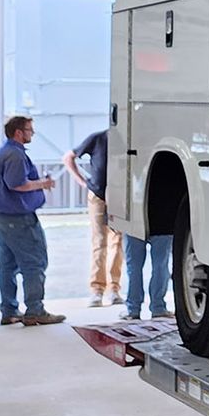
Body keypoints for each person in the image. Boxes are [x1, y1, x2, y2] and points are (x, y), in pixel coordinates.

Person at [0, 115, 64, 326]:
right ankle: (35, 310)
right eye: (30, 130)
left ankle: (10, 310)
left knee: (8, 265)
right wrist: (43, 184)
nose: (32, 134)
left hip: (3, 218)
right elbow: (17, 184)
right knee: (34, 263)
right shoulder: (15, 155)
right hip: (19, 219)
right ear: (19, 132)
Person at [64, 129, 120, 307]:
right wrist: (82, 182)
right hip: (97, 195)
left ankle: (114, 289)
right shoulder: (97, 138)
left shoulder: (127, 138)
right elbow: (68, 157)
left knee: (117, 243)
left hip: (118, 196)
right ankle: (97, 290)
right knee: (99, 242)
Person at [121, 233, 173, 321]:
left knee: (134, 267)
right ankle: (158, 307)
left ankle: (133, 309)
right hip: (162, 224)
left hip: (135, 224)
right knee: (160, 265)